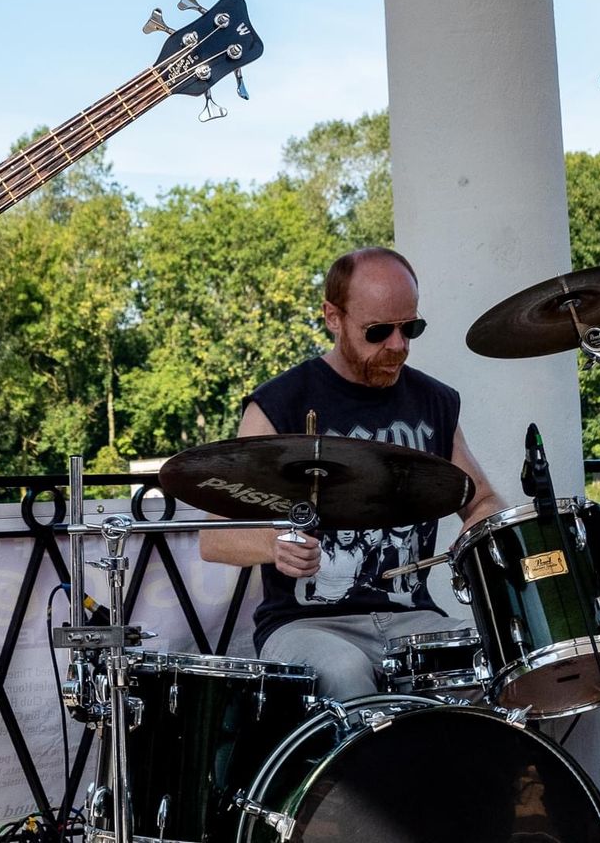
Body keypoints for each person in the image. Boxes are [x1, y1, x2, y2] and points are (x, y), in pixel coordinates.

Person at [199, 246, 502, 700]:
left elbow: (482, 500)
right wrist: (273, 545)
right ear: (332, 317)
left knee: (505, 662)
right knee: (344, 671)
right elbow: (214, 535)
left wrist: (477, 533)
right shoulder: (279, 403)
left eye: (410, 328)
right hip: (306, 624)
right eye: (378, 331)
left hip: (410, 618)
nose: (397, 345)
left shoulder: (433, 402)